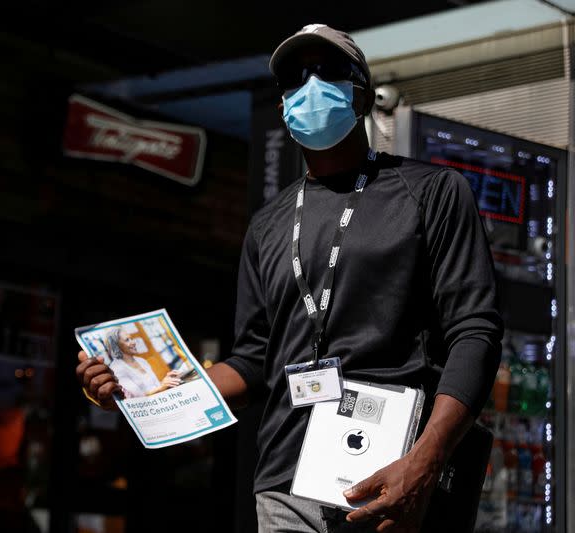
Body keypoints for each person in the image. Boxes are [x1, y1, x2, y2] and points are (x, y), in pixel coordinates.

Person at [77, 24, 503, 533]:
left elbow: (475, 332)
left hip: (390, 471)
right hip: (285, 483)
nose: (310, 86)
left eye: (328, 72)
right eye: (295, 79)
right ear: (282, 107)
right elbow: (253, 360)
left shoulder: (431, 192)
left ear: (362, 95)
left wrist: (427, 460)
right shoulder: (269, 225)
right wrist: (144, 391)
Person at [103, 325, 182, 398]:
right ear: (116, 346)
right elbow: (139, 398)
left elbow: (155, 386)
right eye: (127, 340)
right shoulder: (116, 369)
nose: (133, 342)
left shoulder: (141, 361)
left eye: (131, 338)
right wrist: (162, 387)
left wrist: (167, 381)